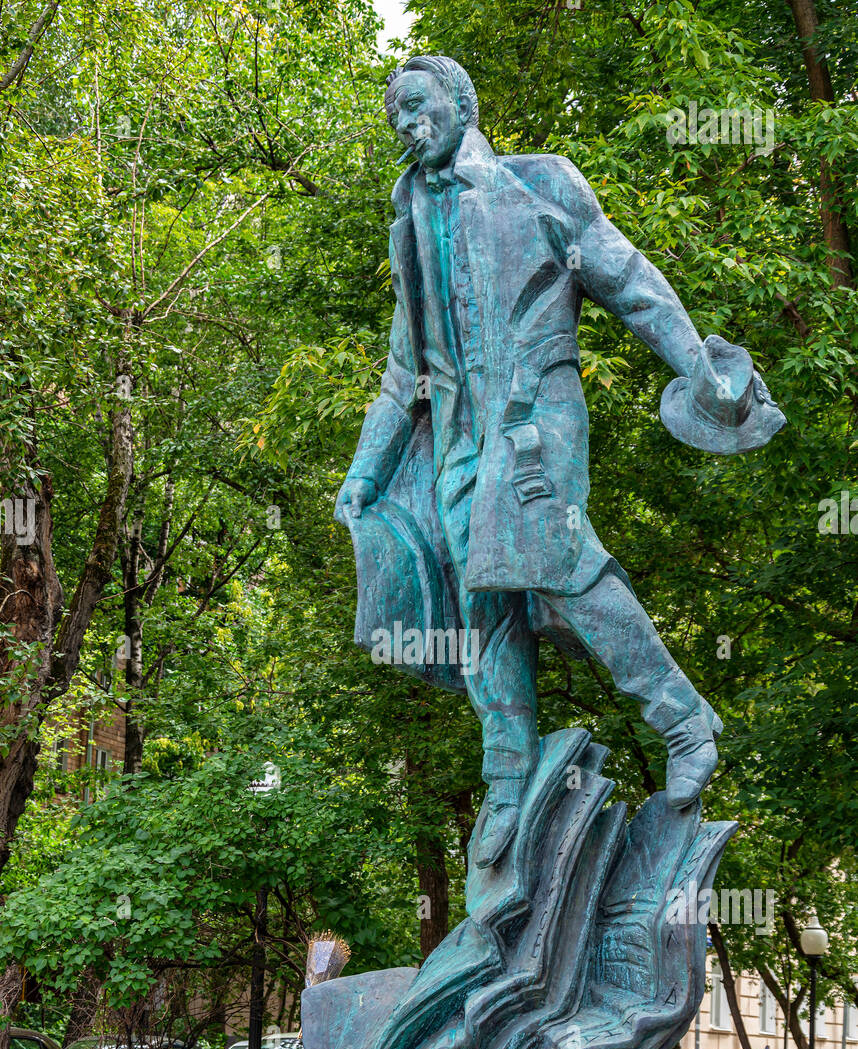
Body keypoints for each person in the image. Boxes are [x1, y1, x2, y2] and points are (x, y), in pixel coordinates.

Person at [335, 54, 785, 867]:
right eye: (394, 115)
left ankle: (685, 722)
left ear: (458, 101)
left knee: (561, 563)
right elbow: (406, 372)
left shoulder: (539, 182)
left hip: (535, 416)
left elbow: (631, 283)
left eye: (417, 103)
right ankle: (506, 770)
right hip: (458, 437)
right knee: (480, 599)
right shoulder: (408, 221)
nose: (406, 123)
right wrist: (367, 473)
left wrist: (698, 368)